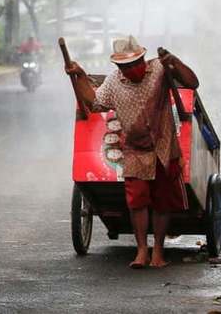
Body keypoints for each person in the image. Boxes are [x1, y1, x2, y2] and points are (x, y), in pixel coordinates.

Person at [65, 35, 199, 269]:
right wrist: (79, 75)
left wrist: (175, 62)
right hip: (135, 150)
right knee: (137, 201)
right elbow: (93, 103)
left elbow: (192, 83)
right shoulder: (114, 82)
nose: (131, 69)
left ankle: (158, 250)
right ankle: (141, 251)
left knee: (162, 201)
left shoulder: (160, 68)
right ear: (118, 67)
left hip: (164, 146)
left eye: (135, 63)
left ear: (143, 59)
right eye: (125, 66)